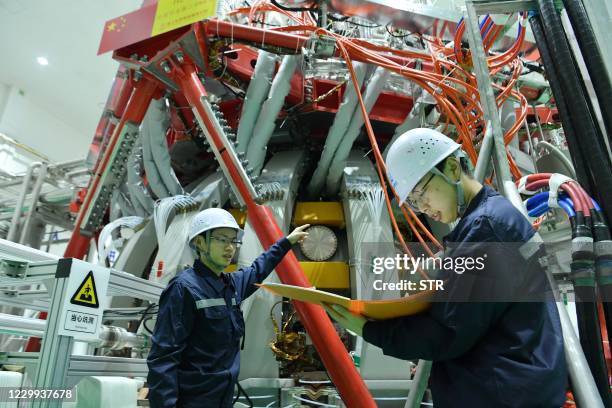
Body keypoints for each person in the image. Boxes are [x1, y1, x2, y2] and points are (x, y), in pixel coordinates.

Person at [324, 128, 567, 407]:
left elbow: (449, 332)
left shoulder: (485, 229)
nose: (423, 207)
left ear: (452, 167)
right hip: (511, 386)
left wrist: (369, 329)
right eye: (413, 203)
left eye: (420, 192)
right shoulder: (488, 221)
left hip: (501, 392)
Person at [147, 207, 309, 407]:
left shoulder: (230, 286)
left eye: (233, 241)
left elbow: (258, 269)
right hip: (192, 401)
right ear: (200, 242)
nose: (230, 248)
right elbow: (164, 357)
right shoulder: (183, 289)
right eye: (222, 239)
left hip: (223, 397)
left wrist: (287, 242)